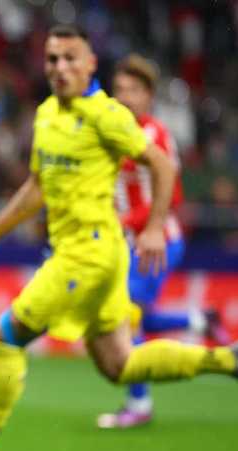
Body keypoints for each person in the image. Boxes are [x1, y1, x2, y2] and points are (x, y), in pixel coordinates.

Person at [0, 25, 237, 451]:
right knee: (119, 364)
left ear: (90, 64)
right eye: (52, 59)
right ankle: (226, 359)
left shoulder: (106, 114)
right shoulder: (47, 113)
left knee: (5, 337)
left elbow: (161, 165)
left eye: (71, 58)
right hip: (97, 258)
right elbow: (36, 186)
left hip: (84, 256)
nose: (61, 67)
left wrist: (155, 227)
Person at [97, 54, 231, 429]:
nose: (125, 98)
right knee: (137, 317)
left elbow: (171, 197)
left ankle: (139, 403)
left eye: (133, 91)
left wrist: (124, 220)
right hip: (130, 245)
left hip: (157, 242)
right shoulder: (113, 133)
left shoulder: (154, 135)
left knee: (126, 320)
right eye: (119, 90)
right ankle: (200, 320)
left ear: (149, 96)